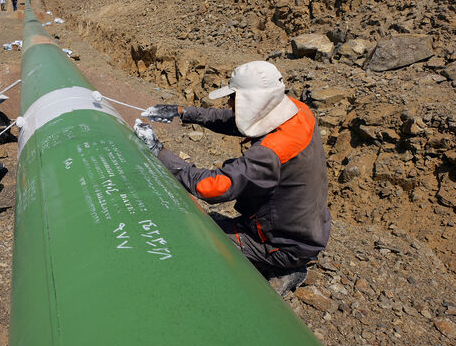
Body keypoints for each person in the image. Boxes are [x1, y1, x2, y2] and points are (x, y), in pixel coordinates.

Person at [136, 61, 330, 296]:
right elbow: (236, 120)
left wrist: (159, 152)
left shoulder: (271, 152)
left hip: (283, 243)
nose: (229, 103)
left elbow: (213, 187)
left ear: (252, 100)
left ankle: (283, 267)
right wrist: (182, 112)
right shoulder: (297, 112)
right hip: (307, 229)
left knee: (192, 238)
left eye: (234, 98)